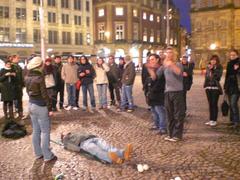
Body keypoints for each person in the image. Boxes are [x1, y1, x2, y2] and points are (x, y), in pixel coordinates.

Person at [25, 56, 57, 162]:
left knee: (36, 130)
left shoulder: (27, 77)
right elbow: (44, 95)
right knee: (45, 131)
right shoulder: (39, 78)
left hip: (31, 105)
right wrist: (50, 108)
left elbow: (28, 92)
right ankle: (47, 155)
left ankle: (38, 153)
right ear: (39, 66)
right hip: (40, 106)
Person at [157, 47, 185, 142]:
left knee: (178, 114)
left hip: (177, 91)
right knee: (169, 114)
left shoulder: (178, 64)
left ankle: (177, 135)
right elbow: (157, 75)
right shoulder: (165, 65)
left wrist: (171, 64)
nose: (168, 54)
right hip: (168, 92)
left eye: (170, 53)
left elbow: (179, 72)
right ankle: (170, 133)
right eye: (167, 53)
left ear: (174, 54)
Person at [61, 131, 133, 164]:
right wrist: (64, 139)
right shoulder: (66, 142)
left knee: (107, 147)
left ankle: (124, 153)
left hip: (93, 138)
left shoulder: (73, 132)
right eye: (63, 134)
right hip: (84, 144)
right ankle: (113, 158)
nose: (64, 132)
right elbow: (74, 148)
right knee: (98, 151)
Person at [144, 54, 166, 135]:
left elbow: (157, 80)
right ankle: (156, 124)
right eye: (150, 60)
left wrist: (150, 70)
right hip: (151, 93)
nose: (151, 61)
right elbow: (147, 79)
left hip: (158, 93)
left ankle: (162, 128)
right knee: (154, 110)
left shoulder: (160, 69)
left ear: (157, 60)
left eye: (152, 59)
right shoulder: (152, 69)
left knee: (160, 111)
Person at [204, 55, 223, 127]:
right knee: (210, 104)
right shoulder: (208, 67)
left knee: (214, 103)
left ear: (217, 61)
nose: (213, 61)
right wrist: (205, 85)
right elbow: (206, 76)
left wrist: (213, 69)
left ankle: (214, 120)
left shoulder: (219, 67)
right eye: (212, 60)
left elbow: (217, 77)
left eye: (214, 60)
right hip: (208, 87)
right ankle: (211, 119)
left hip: (215, 87)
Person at [224, 49, 240, 128]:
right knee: (230, 104)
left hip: (237, 86)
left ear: (237, 55)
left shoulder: (238, 63)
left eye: (234, 55)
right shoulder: (229, 63)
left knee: (233, 103)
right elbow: (227, 75)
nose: (232, 56)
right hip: (229, 86)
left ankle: (237, 121)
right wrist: (225, 86)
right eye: (231, 55)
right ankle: (232, 120)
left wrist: (237, 69)